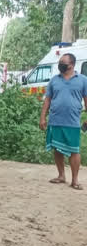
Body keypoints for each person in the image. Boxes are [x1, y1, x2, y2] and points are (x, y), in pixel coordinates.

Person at [39, 52, 87, 190]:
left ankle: (75, 180)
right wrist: (43, 117)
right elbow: (47, 100)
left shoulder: (83, 80)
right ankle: (61, 175)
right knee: (57, 148)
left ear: (71, 65)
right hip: (55, 120)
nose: (60, 65)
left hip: (72, 122)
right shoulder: (54, 80)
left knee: (74, 150)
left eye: (63, 63)